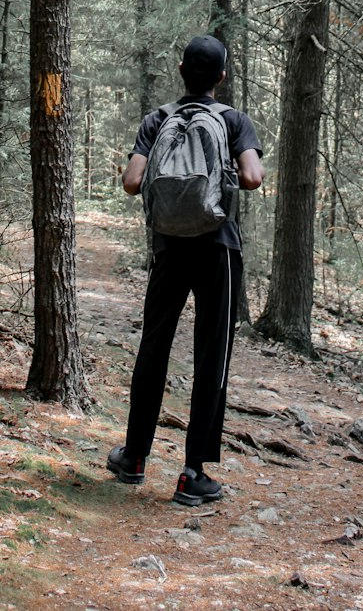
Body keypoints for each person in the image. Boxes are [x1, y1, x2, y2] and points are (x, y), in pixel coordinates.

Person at [107, 33, 264, 506]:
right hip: (218, 249)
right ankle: (192, 474)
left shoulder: (158, 119)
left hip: (168, 249)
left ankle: (134, 456)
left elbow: (132, 182)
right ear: (221, 76)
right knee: (211, 357)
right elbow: (253, 178)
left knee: (154, 348)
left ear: (180, 71)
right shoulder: (234, 120)